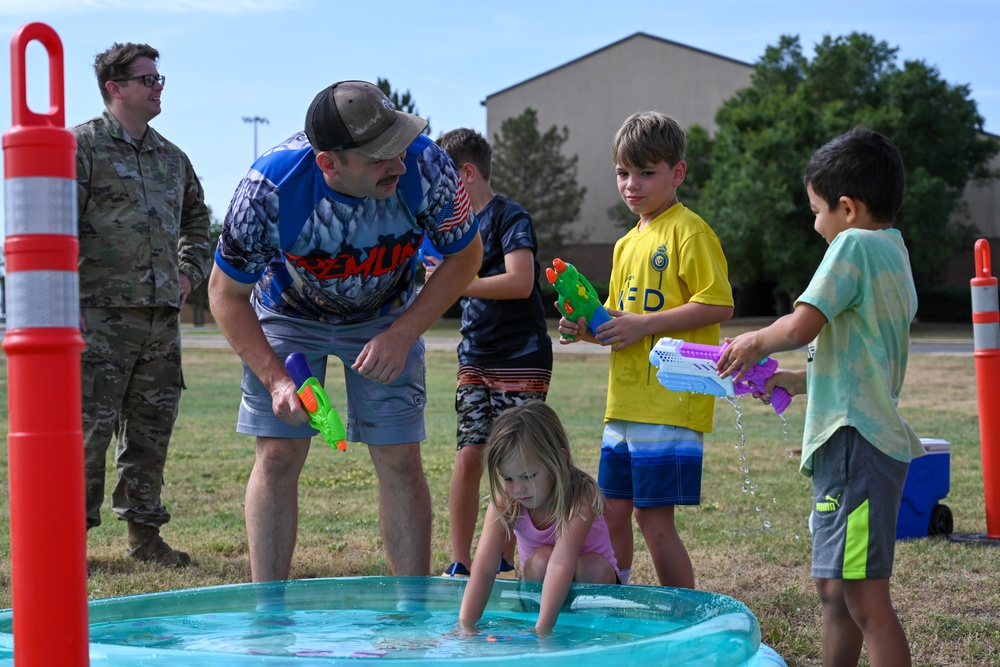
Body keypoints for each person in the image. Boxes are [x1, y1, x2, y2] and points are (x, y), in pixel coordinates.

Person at [209, 80, 483, 581]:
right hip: (288, 314)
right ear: (329, 163)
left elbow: (467, 256)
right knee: (277, 453)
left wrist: (403, 333)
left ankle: (411, 614)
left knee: (399, 458)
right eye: (379, 159)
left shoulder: (426, 166)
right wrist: (276, 380)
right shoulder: (269, 188)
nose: (398, 166)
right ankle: (269, 617)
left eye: (398, 148)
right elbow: (224, 295)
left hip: (388, 315)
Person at [718, 127, 923, 667]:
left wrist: (754, 339)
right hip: (859, 441)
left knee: (863, 597)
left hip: (855, 444)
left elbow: (805, 323)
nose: (815, 224)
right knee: (836, 590)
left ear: (848, 209)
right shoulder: (895, 253)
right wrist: (796, 379)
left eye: (816, 210)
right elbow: (860, 358)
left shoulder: (852, 245)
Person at [558, 111, 734, 588]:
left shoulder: (688, 230)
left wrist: (646, 325)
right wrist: (584, 328)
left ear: (677, 173)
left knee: (654, 522)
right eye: (622, 173)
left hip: (670, 403)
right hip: (625, 404)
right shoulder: (624, 245)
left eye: (645, 173)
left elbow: (718, 303)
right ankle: (624, 596)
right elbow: (620, 326)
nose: (631, 184)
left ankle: (683, 614)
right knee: (613, 510)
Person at [74, 42, 211, 567]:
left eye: (159, 78)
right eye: (148, 79)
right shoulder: (81, 148)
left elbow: (198, 220)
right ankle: (70, 542)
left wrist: (188, 272)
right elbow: (56, 227)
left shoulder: (172, 158)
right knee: (89, 433)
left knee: (151, 434)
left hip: (159, 321)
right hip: (98, 318)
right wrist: (67, 302)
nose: (159, 86)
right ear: (115, 87)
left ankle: (144, 540)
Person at [429, 128, 553, 579]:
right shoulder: (451, 229)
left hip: (521, 358)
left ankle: (503, 562)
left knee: (516, 461)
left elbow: (521, 281)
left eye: (443, 179)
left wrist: (454, 283)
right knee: (469, 456)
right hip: (474, 356)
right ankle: (462, 563)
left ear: (466, 173)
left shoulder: (510, 217)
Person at [458, 401, 618, 634]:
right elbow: (483, 568)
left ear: (559, 460)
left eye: (528, 475)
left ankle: (592, 629)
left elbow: (562, 561)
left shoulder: (580, 494)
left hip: (594, 585)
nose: (518, 488)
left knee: (589, 564)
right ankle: (537, 617)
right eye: (508, 478)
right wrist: (466, 626)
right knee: (541, 558)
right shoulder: (507, 501)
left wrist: (542, 632)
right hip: (540, 586)